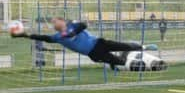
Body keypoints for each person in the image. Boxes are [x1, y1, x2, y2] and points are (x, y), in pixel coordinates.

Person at [12, 17, 156, 70]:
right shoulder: (57, 37)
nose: (54, 24)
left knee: (124, 45)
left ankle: (143, 47)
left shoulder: (72, 25)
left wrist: (73, 33)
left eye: (56, 21)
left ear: (62, 21)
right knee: (119, 62)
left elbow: (83, 25)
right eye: (53, 23)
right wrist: (24, 35)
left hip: (99, 43)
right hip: (92, 53)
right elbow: (43, 37)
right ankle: (121, 60)